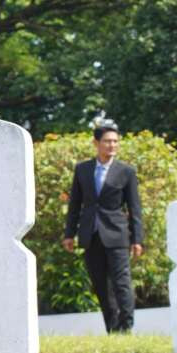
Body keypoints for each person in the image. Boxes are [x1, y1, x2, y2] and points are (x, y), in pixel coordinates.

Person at [62, 122, 144, 333]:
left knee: (121, 283)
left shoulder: (126, 171)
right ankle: (112, 328)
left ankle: (127, 328)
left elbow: (135, 208)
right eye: (107, 141)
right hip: (90, 234)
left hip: (117, 235)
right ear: (96, 143)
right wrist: (69, 233)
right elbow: (75, 204)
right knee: (100, 285)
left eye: (115, 141)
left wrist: (137, 239)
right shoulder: (83, 169)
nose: (112, 145)